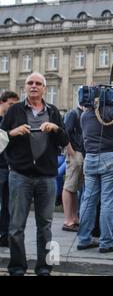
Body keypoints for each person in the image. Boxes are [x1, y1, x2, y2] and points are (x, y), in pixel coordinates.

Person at [1, 73, 68, 276]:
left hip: (46, 176)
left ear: (44, 89)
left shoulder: (53, 111)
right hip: (20, 175)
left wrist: (55, 128)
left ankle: (44, 267)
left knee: (45, 226)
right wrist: (13, 132)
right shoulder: (14, 110)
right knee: (16, 226)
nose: (34, 86)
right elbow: (1, 137)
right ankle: (17, 268)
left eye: (38, 83)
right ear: (25, 87)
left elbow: (64, 140)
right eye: (30, 83)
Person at [77, 90, 113, 253]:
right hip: (111, 158)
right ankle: (107, 241)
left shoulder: (85, 115)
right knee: (108, 201)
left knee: (88, 200)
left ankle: (84, 239)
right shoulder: (110, 112)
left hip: (91, 158)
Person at [0, 91, 19, 247]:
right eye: (10, 105)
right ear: (2, 103)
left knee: (8, 205)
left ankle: (5, 235)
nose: (13, 108)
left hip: (9, 167)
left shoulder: (11, 120)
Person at [62, 105, 84, 231]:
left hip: (81, 152)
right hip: (75, 152)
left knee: (75, 187)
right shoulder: (73, 113)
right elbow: (66, 133)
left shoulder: (81, 113)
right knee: (69, 185)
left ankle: (74, 218)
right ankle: (67, 220)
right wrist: (71, 152)